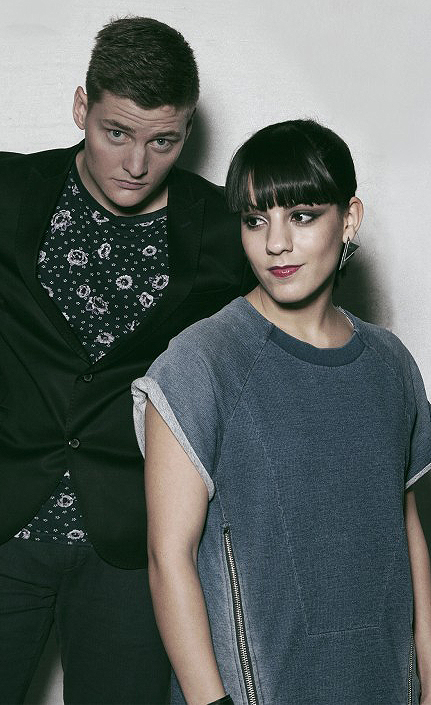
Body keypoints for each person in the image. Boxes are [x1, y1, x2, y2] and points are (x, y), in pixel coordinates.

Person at [132, 119, 431, 705]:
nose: (275, 243)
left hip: (383, 685)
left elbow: (405, 530)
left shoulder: (389, 363)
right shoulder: (200, 361)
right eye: (256, 220)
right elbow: (167, 557)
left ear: (349, 219)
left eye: (301, 216)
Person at [0, 16, 252, 703]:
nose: (136, 164)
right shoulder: (9, 190)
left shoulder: (225, 229)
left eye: (162, 141)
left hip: (133, 545)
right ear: (82, 106)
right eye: (116, 133)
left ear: (187, 130)